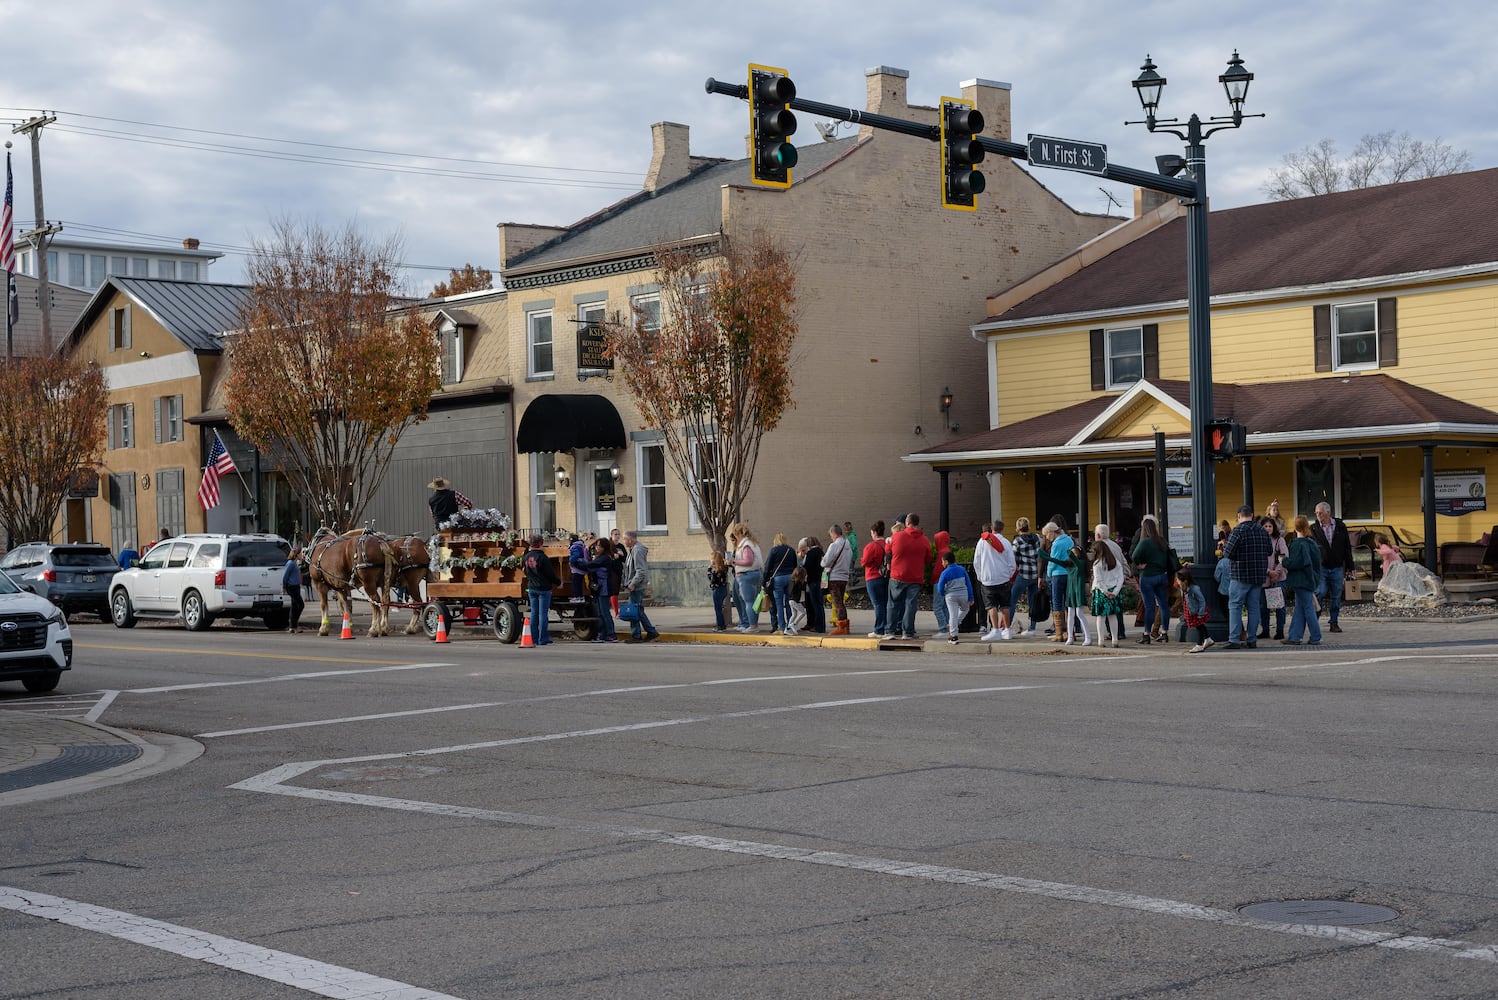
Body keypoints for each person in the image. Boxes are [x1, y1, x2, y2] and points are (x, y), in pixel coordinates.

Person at [1222, 504, 1271, 649]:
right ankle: (1252, 639)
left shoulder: (1237, 531)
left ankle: (1234, 639)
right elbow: (1269, 551)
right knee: (1254, 607)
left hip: (1240, 574)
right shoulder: (1262, 530)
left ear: (1238, 516)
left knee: (1235, 606)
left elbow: (1227, 553)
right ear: (1252, 514)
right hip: (1258, 575)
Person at [887, 513, 933, 640]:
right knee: (910, 605)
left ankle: (890, 631)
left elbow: (888, 550)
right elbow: (928, 559)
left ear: (906, 523)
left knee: (893, 604)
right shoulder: (924, 540)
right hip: (915, 576)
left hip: (897, 575)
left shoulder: (897, 536)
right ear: (917, 523)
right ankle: (907, 632)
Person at [1312, 502, 1356, 633]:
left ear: (1328, 512)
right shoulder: (1314, 528)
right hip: (1322, 567)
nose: (1318, 515)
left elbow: (1347, 547)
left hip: (1337, 566)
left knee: (1336, 596)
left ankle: (1334, 622)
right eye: (1316, 513)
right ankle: (1315, 621)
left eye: (1320, 513)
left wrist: (1350, 566)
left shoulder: (1340, 526)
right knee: (1320, 592)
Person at [1282, 515, 1325, 645]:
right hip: (1310, 579)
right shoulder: (1312, 543)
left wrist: (1283, 561)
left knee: (1307, 608)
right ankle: (1295, 636)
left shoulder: (1297, 544)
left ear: (1295, 528)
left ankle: (1315, 636)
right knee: (1301, 608)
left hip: (1300, 580)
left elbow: (1295, 563)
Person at [1131, 516, 1170, 644]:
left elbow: (1134, 555)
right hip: (1162, 576)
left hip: (1147, 576)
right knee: (1163, 605)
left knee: (1149, 607)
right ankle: (1164, 633)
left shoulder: (1145, 542)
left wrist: (1139, 565)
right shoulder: (1162, 541)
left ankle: (1146, 634)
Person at [974, 521, 1016, 642]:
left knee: (991, 606)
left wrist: (980, 576)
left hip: (988, 579)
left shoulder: (982, 542)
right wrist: (1008, 575)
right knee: (1005, 605)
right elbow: (1012, 563)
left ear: (992, 528)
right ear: (1002, 529)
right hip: (1003, 578)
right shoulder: (1006, 543)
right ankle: (1007, 630)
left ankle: (995, 630)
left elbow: (977, 561)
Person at [620, 530, 660, 642]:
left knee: (634, 611)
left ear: (630, 540)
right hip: (635, 585)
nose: (624, 542)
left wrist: (633, 583)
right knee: (638, 610)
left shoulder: (637, 550)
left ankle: (636, 635)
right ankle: (651, 632)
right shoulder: (633, 550)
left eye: (625, 539)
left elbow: (640, 571)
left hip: (637, 586)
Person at [522, 535, 560, 646]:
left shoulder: (526, 556)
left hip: (532, 587)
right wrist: (558, 582)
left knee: (534, 613)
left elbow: (524, 570)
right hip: (544, 588)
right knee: (543, 614)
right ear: (540, 543)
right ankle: (542, 638)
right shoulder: (543, 558)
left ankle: (533, 637)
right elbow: (550, 574)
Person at [1009, 517, 1042, 637]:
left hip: (1024, 573)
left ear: (1018, 528)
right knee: (1033, 600)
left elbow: (1014, 559)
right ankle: (1032, 627)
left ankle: (1007, 627)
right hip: (1037, 573)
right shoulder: (1038, 537)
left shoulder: (1017, 541)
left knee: (1012, 599)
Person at [1089, 536, 1125, 647]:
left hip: (1100, 592)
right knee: (1113, 615)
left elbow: (1098, 580)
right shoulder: (1115, 562)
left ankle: (1101, 640)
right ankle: (1115, 639)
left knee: (1100, 616)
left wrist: (1105, 591)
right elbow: (1121, 578)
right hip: (1114, 591)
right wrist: (1115, 591)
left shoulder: (1096, 564)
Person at [728, 523, 764, 632]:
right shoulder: (753, 543)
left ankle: (753, 626)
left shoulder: (745, 545)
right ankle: (754, 624)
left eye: (735, 535)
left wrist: (733, 561)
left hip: (746, 576)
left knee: (749, 602)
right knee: (755, 602)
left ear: (738, 534)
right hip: (757, 574)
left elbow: (748, 561)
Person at [1258, 517, 1289, 640]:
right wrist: (1268, 572)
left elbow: (1284, 556)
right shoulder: (1258, 541)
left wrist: (1277, 572)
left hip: (1278, 578)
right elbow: (1257, 560)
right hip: (1264, 578)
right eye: (1265, 526)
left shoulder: (1279, 540)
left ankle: (1280, 630)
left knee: (1279, 605)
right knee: (1263, 606)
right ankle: (1265, 630)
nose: (1268, 528)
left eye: (1270, 526)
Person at [1043, 521, 1075, 643]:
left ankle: (1059, 633)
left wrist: (1049, 574)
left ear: (1052, 532)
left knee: (1057, 602)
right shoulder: (1069, 540)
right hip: (1068, 573)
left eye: (1047, 534)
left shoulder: (1056, 544)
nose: (1046, 537)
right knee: (1068, 603)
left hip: (1057, 575)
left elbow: (1052, 561)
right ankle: (1070, 632)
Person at [935, 550, 974, 646]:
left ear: (947, 562)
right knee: (965, 609)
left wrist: (944, 593)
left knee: (952, 615)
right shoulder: (962, 569)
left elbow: (940, 587)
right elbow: (968, 583)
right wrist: (971, 596)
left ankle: (953, 636)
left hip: (951, 595)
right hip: (963, 594)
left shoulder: (945, 572)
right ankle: (955, 623)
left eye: (942, 561)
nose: (942, 563)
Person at [585, 538, 619, 642]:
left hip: (604, 588)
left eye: (598, 546)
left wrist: (577, 562)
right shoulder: (601, 557)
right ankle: (602, 634)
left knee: (604, 612)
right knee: (600, 612)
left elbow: (590, 565)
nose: (596, 547)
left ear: (603, 548)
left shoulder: (604, 558)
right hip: (600, 588)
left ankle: (611, 634)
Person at [1062, 533, 1091, 646]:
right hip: (1071, 591)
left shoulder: (1081, 563)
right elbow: (1061, 562)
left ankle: (1087, 636)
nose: (1072, 555)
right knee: (1070, 614)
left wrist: (1070, 551)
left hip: (1078, 591)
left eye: (1074, 553)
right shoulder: (1070, 565)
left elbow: (1078, 563)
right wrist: (1047, 557)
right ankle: (1070, 636)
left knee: (1080, 613)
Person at [764, 532, 797, 633]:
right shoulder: (791, 550)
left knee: (779, 603)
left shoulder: (774, 550)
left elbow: (767, 567)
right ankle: (790, 625)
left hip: (778, 578)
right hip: (790, 577)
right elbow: (795, 564)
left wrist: (764, 581)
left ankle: (782, 627)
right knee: (788, 603)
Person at [824, 524, 853, 636]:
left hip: (834, 577)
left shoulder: (834, 546)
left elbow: (826, 561)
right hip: (844, 577)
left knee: (837, 603)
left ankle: (841, 626)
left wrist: (823, 562)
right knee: (841, 601)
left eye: (831, 535)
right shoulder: (848, 545)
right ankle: (845, 626)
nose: (831, 537)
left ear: (834, 534)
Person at [862, 521, 889, 639]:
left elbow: (865, 562)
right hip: (886, 576)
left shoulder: (871, 546)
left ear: (874, 532)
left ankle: (879, 629)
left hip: (873, 576)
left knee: (878, 604)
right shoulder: (888, 544)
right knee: (885, 603)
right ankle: (887, 627)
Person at [1179, 565, 1213, 653]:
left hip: (1197, 611)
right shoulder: (1185, 588)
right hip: (1193, 610)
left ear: (1185, 581)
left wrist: (1201, 613)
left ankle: (1199, 644)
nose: (1177, 582)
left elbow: (1202, 600)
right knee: (1200, 625)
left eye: (1179, 580)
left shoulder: (1194, 589)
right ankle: (1207, 639)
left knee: (1199, 626)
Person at [801, 534, 826, 633]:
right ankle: (821, 626)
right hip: (821, 579)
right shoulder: (820, 551)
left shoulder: (811, 553)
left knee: (815, 604)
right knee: (819, 604)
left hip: (813, 580)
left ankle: (818, 626)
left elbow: (806, 567)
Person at [931, 529, 953, 638]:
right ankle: (949, 627)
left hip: (939, 581)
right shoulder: (947, 551)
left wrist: (932, 579)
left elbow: (937, 571)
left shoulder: (941, 553)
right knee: (945, 606)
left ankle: (943, 628)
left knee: (937, 606)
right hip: (947, 582)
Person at [282, 546, 305, 633]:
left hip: (296, 586)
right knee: (300, 605)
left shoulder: (295, 563)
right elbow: (285, 576)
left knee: (294, 606)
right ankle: (294, 624)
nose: (301, 555)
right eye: (300, 554)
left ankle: (292, 626)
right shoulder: (290, 563)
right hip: (291, 587)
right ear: (296, 554)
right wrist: (284, 587)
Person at [708, 551, 730, 632]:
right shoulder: (724, 568)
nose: (710, 560)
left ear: (714, 560)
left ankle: (720, 625)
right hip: (723, 589)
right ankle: (722, 624)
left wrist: (709, 570)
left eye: (711, 559)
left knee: (718, 608)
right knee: (720, 607)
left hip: (717, 590)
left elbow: (712, 580)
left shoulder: (716, 571)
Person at [784, 566, 809, 636]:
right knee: (802, 613)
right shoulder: (798, 583)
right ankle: (793, 624)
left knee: (794, 614)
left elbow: (789, 591)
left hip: (790, 600)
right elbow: (804, 590)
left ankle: (787, 629)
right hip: (795, 600)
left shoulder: (792, 581)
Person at [608, 528, 625, 616]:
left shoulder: (621, 546)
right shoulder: (609, 545)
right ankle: (616, 612)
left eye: (618, 534)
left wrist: (621, 555)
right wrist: (613, 556)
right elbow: (606, 556)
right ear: (611, 535)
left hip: (619, 569)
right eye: (615, 534)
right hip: (611, 570)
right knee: (614, 590)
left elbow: (625, 558)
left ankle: (615, 611)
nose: (617, 536)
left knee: (617, 590)